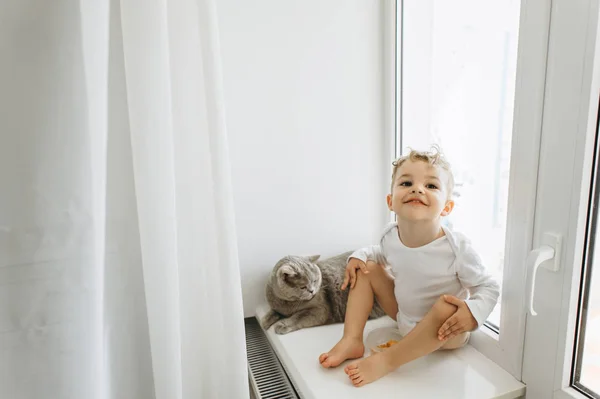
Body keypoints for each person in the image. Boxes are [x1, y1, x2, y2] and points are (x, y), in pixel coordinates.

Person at [318, 147, 500, 387]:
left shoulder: (457, 247)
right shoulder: (390, 236)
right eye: (406, 183)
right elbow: (378, 254)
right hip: (404, 319)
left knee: (447, 305)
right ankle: (351, 339)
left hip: (445, 333)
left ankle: (388, 361)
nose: (417, 189)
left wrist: (472, 313)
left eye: (431, 186)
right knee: (367, 268)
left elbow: (489, 287)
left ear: (446, 208)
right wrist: (359, 256)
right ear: (390, 201)